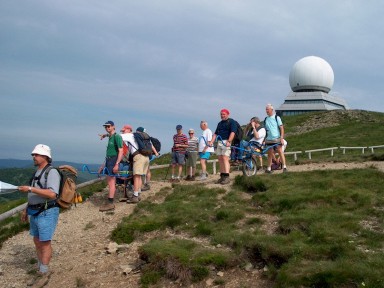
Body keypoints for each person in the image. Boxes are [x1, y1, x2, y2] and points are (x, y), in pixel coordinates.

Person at [18, 144, 60, 285]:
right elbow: (33, 193)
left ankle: (44, 271)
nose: (34, 157)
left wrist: (30, 188)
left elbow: (52, 194)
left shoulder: (52, 172)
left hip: (47, 211)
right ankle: (41, 267)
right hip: (35, 211)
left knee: (44, 242)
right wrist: (26, 209)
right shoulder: (37, 172)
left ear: (45, 156)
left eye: (36, 155)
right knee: (37, 241)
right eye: (33, 155)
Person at [120, 125, 151, 203]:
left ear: (128, 130)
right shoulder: (138, 136)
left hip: (138, 156)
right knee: (139, 176)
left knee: (136, 176)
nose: (123, 132)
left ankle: (135, 196)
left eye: (123, 130)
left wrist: (106, 135)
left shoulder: (130, 135)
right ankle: (138, 193)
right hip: (146, 157)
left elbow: (116, 136)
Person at [98, 121, 124, 211]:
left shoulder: (117, 137)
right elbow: (108, 135)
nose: (107, 128)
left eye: (109, 126)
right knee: (110, 181)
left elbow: (121, 151)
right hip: (109, 160)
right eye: (105, 126)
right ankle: (110, 201)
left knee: (111, 181)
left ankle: (110, 203)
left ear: (113, 127)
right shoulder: (111, 136)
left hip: (113, 160)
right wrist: (103, 165)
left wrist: (117, 164)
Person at [209, 108, 237, 185]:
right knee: (220, 158)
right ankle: (222, 176)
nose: (222, 116)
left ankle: (227, 176)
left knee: (225, 158)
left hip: (226, 141)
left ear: (228, 114)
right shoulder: (220, 123)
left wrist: (229, 141)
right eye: (221, 114)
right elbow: (215, 134)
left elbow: (233, 132)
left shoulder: (232, 122)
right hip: (220, 141)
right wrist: (211, 141)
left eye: (224, 114)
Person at [264, 104, 287, 173]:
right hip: (268, 139)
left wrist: (282, 138)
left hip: (276, 138)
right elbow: (265, 130)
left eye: (267, 109)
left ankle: (284, 167)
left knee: (280, 151)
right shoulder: (266, 119)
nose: (266, 111)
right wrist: (264, 139)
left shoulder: (277, 117)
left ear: (271, 110)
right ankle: (269, 168)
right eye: (266, 109)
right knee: (270, 153)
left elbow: (281, 128)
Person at [136, 126, 159, 191]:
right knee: (147, 170)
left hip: (142, 156)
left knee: (140, 172)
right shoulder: (147, 138)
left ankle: (140, 187)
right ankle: (147, 184)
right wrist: (156, 152)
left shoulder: (140, 138)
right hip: (148, 156)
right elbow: (151, 146)